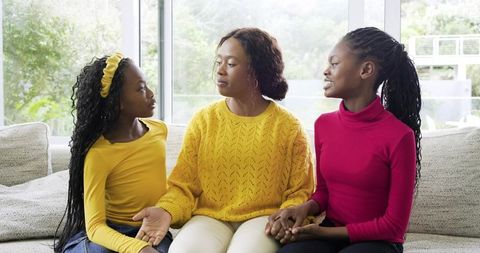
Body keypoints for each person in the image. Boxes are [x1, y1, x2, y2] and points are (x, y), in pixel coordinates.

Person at [132, 27, 314, 253]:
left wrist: (284, 217)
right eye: (218, 62)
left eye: (231, 63)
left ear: (256, 71)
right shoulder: (204, 120)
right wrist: (166, 211)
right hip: (210, 217)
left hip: (263, 218)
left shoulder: (288, 127)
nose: (219, 70)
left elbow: (300, 191)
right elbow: (183, 187)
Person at [266, 27, 422, 253]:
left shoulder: (399, 136)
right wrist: (305, 208)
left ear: (366, 70)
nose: (326, 71)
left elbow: (394, 227)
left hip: (379, 242)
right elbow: (324, 192)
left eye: (334, 63)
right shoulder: (324, 125)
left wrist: (324, 232)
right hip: (330, 232)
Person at [54, 53, 172, 253]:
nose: (151, 94)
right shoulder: (99, 154)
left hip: (150, 229)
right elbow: (95, 227)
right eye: (141, 89)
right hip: (108, 233)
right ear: (118, 102)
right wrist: (138, 249)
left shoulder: (159, 130)